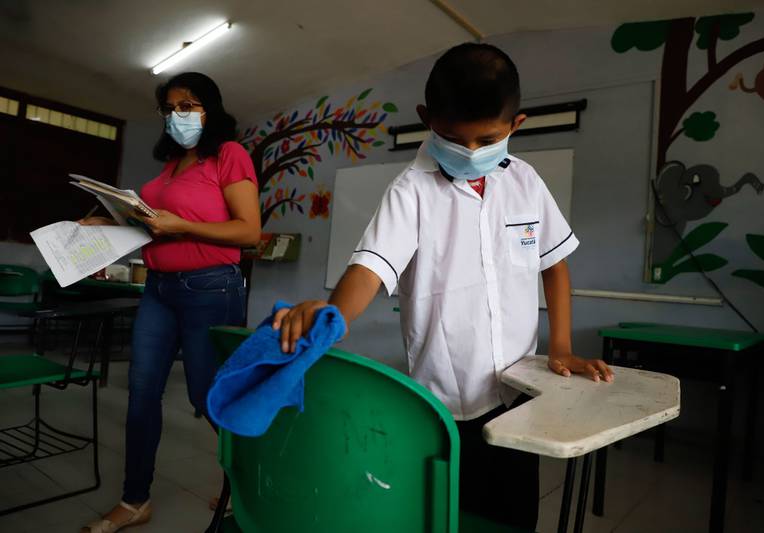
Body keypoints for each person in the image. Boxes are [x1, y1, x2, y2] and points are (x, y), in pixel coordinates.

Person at [274, 43, 613, 530]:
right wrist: (329, 316)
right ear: (426, 119)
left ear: (515, 127)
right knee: (455, 512)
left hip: (521, 393)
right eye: (454, 139)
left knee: (516, 513)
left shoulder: (527, 182)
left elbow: (554, 265)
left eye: (487, 139)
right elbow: (370, 269)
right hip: (447, 402)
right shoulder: (410, 191)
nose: (470, 152)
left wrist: (559, 347)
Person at [80, 72, 261, 533]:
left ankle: (255, 490)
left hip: (210, 288)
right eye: (170, 107)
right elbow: (155, 224)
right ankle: (135, 500)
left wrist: (181, 226)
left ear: (210, 108)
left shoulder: (228, 155)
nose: (177, 115)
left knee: (209, 396)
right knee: (142, 395)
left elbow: (248, 232)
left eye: (189, 105)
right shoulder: (169, 168)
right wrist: (111, 221)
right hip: (159, 289)